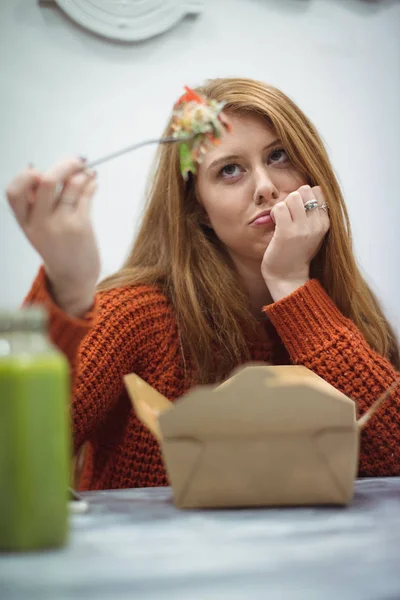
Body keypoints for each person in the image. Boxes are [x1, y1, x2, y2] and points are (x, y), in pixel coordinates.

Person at [6, 78, 400, 491]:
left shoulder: (350, 309)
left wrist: (294, 289)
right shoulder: (135, 315)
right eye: (230, 170)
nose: (266, 187)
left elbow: (392, 459)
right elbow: (17, 448)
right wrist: (67, 289)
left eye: (279, 155)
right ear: (200, 210)